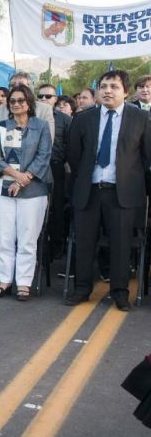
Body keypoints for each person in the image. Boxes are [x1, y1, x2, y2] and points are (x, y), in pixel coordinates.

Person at [66, 70, 151, 311]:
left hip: (121, 193)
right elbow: (74, 155)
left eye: (114, 86)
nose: (107, 91)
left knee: (120, 245)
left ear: (125, 91)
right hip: (89, 191)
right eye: (103, 86)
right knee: (85, 242)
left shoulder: (140, 118)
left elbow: (147, 156)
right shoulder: (84, 118)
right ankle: (82, 289)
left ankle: (120, 292)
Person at [0, 85, 53, 301]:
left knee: (27, 239)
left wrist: (24, 179)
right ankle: (4, 280)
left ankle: (24, 282)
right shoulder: (0, 126)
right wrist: (15, 176)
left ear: (29, 103)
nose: (16, 104)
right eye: (12, 101)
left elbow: (44, 156)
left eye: (20, 101)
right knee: (5, 237)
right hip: (2, 189)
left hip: (32, 190)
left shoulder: (41, 126)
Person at [37, 83, 72, 258]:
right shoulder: (31, 116)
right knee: (36, 208)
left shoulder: (65, 119)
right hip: (34, 169)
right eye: (40, 96)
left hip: (56, 167)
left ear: (55, 99)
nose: (43, 99)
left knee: (56, 208)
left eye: (48, 96)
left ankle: (56, 248)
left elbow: (70, 145)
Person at [0, 72, 55, 143]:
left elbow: (47, 142)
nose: (16, 88)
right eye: (12, 85)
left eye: (21, 85)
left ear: (30, 88)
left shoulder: (44, 110)